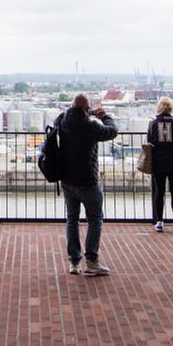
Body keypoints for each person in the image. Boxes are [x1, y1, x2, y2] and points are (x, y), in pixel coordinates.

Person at [56, 92, 119, 275]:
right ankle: (92, 260)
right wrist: (104, 116)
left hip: (67, 179)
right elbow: (111, 131)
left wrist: (85, 110)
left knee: (72, 219)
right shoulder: (89, 126)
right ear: (86, 108)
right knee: (95, 219)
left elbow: (67, 115)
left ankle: (74, 262)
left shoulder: (63, 121)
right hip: (87, 180)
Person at [145, 97, 173, 232]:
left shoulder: (152, 124)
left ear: (159, 108)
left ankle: (159, 222)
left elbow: (149, 142)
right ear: (171, 109)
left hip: (158, 163)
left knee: (159, 192)